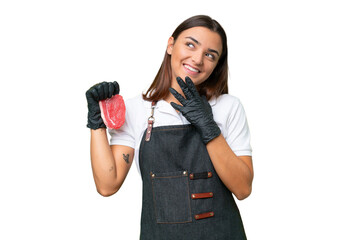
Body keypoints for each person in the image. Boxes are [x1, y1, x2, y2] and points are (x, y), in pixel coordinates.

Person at [86, 15, 253, 240]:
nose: (197, 59)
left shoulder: (228, 107)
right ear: (171, 45)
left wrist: (208, 127)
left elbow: (243, 189)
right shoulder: (137, 110)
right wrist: (97, 124)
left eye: (210, 55)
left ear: (216, 65)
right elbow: (107, 185)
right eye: (190, 44)